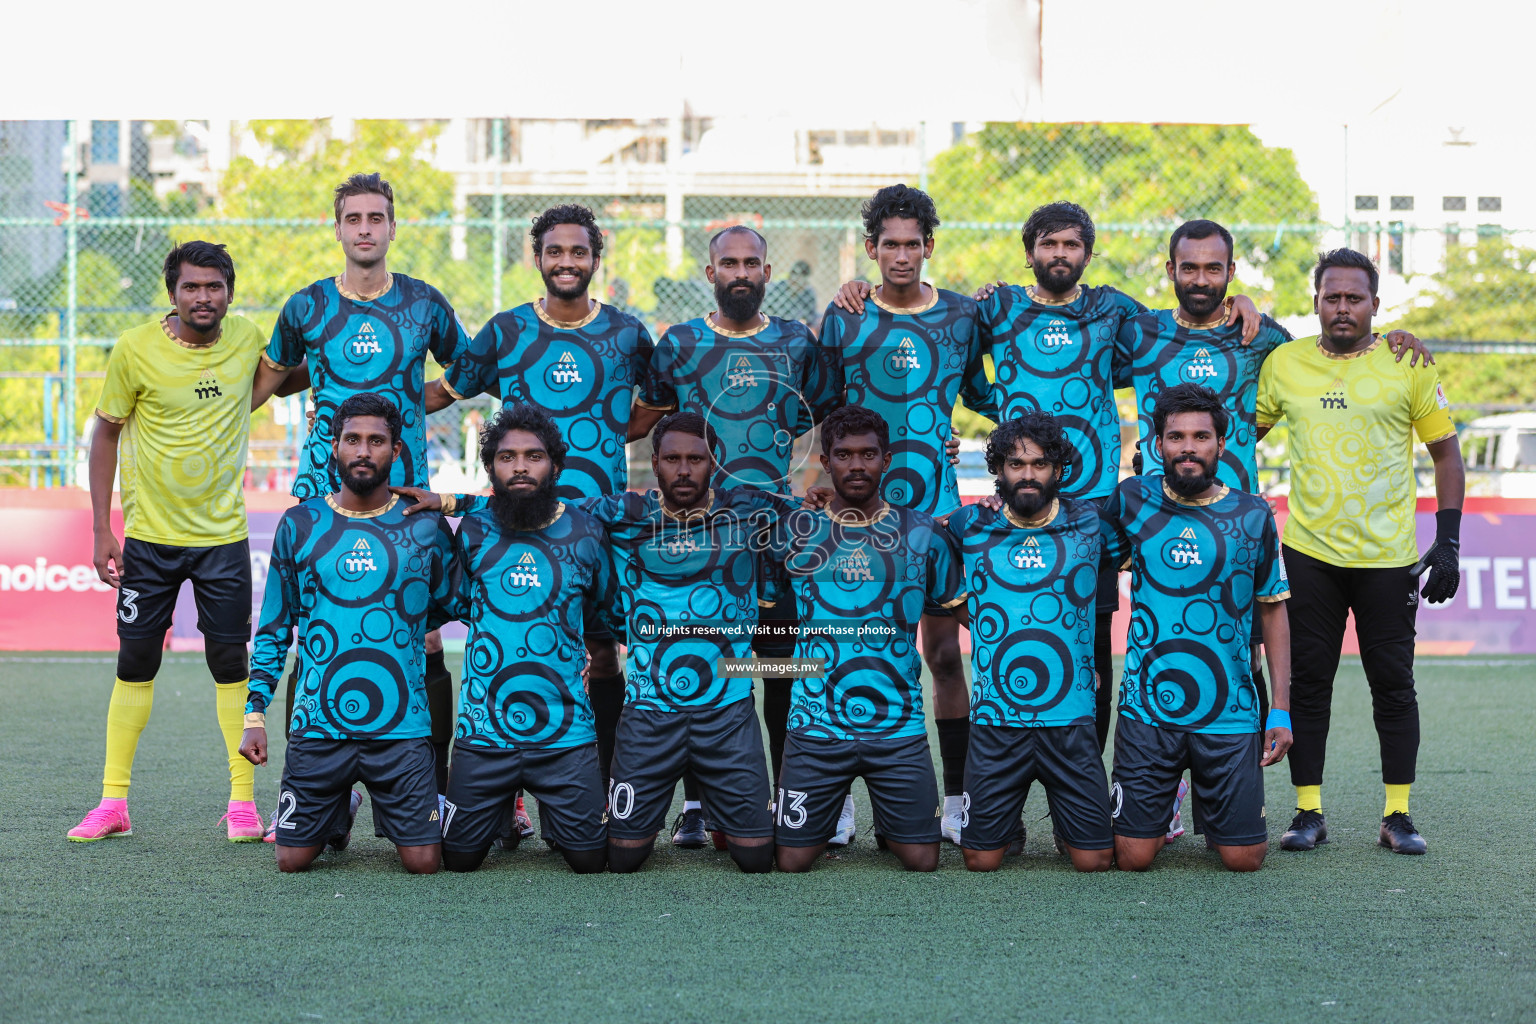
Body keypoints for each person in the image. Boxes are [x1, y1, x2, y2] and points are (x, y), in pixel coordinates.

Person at [1115, 220, 1432, 842]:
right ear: (1170, 270)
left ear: (1231, 275)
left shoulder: (1262, 338)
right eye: (1190, 267)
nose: (1201, 278)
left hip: (1238, 524)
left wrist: (1396, 338)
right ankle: (1163, 793)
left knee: (1244, 655)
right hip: (1158, 516)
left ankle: (1228, 791)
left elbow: (1332, 346)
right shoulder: (1141, 331)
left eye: (1214, 268)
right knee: (1161, 648)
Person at [425, 204, 666, 789]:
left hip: (597, 525)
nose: (566, 262)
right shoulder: (506, 330)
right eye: (554, 252)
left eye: (578, 252)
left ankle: (609, 785)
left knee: (605, 653)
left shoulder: (628, 332)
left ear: (595, 259)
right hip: (517, 525)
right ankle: (502, 793)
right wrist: (354, 398)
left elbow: (656, 406)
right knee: (509, 644)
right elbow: (443, 391)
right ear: (537, 259)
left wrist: (611, 430)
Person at [252, 172, 469, 815]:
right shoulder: (306, 306)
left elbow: (468, 364)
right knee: (312, 628)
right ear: (338, 227)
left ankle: (433, 789)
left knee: (427, 636)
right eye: (354, 219)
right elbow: (269, 377)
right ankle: (319, 799)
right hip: (324, 487)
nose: (366, 229)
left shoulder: (425, 304)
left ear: (393, 227)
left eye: (377, 218)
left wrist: (430, 400)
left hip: (405, 493)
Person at [635, 225, 840, 847]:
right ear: (711, 273)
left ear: (769, 272)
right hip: (701, 537)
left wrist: (814, 483)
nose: (741, 272)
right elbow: (643, 423)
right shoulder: (678, 344)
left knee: (779, 665)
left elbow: (829, 419)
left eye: (752, 262)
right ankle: (698, 804)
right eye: (730, 263)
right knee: (704, 662)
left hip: (776, 536)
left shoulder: (796, 344)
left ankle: (786, 794)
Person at [1256, 248, 1464, 856]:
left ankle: (1397, 814)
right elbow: (1241, 436)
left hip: (1387, 556)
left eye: (1355, 298)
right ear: (1316, 300)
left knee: (1393, 683)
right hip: (1309, 552)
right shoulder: (1285, 364)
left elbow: (1446, 455)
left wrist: (1447, 540)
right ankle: (1308, 811)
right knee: (1308, 682)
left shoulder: (1407, 362)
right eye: (1331, 297)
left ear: (1376, 304)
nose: (1342, 308)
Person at [68, 241, 275, 844]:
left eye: (214, 286)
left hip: (222, 541)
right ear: (172, 292)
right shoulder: (135, 348)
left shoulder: (246, 338)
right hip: (150, 542)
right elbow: (104, 435)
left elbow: (282, 377)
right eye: (192, 287)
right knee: (135, 664)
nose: (203, 297)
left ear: (229, 291)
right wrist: (103, 527)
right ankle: (113, 803)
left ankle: (242, 806)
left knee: (230, 664)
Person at [814, 184, 998, 845]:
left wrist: (967, 443)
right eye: (888, 244)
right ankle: (834, 806)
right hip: (857, 513)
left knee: (945, 655)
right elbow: (820, 408)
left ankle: (954, 803)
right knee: (845, 650)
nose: (900, 255)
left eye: (912, 244)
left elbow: (989, 394)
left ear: (928, 247)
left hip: (937, 507)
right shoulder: (845, 316)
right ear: (871, 249)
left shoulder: (958, 316)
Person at [239, 393, 455, 873]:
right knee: (292, 861)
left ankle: (354, 802)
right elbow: (275, 627)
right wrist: (255, 714)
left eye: (376, 441)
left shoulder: (424, 524)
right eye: (352, 440)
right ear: (333, 446)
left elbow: (458, 602)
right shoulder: (299, 523)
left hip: (400, 728)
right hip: (319, 725)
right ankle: (339, 806)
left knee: (423, 862)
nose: (363, 451)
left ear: (396, 451)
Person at [1101, 384, 1293, 872]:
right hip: (1148, 709)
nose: (1188, 447)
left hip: (1229, 712)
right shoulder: (1130, 500)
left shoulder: (1252, 514)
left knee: (1244, 860)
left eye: (1201, 436)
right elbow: (1072, 539)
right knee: (1132, 858)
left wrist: (1282, 712)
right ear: (1157, 444)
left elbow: (1272, 609)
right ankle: (1164, 804)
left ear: (1221, 445)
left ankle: (1197, 790)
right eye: (1176, 436)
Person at [769, 406, 968, 873]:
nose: (856, 465)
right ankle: (838, 806)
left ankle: (892, 816)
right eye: (843, 455)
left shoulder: (922, 534)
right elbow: (757, 617)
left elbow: (971, 615)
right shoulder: (797, 533)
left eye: (867, 455)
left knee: (921, 860)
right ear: (826, 459)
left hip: (896, 728)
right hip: (816, 727)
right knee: (791, 860)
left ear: (887, 458)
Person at [595, 413, 788, 874]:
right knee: (623, 859)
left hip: (728, 711)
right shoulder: (625, 513)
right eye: (673, 459)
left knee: (757, 858)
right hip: (648, 713)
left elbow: (831, 512)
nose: (684, 470)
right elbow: (545, 512)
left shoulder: (750, 508)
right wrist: (450, 501)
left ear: (714, 461)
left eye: (695, 459)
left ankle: (722, 812)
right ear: (655, 462)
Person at [436, 404, 611, 874]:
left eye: (533, 457)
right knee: (458, 860)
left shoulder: (585, 531)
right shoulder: (473, 529)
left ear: (555, 464)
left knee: (592, 861)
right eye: (507, 457)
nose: (520, 468)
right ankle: (502, 812)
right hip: (484, 732)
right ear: (491, 465)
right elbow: (454, 603)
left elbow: (606, 610)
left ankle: (556, 813)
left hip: (564, 731)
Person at [945, 413, 1114, 872]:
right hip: (997, 719)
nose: (1027, 474)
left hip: (1070, 717)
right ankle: (1007, 824)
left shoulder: (1092, 522)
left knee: (1095, 861)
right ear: (997, 468)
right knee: (980, 861)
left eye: (1039, 464)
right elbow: (921, 555)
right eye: (1015, 464)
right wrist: (982, 625)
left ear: (1058, 470)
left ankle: (1068, 823)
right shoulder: (967, 524)